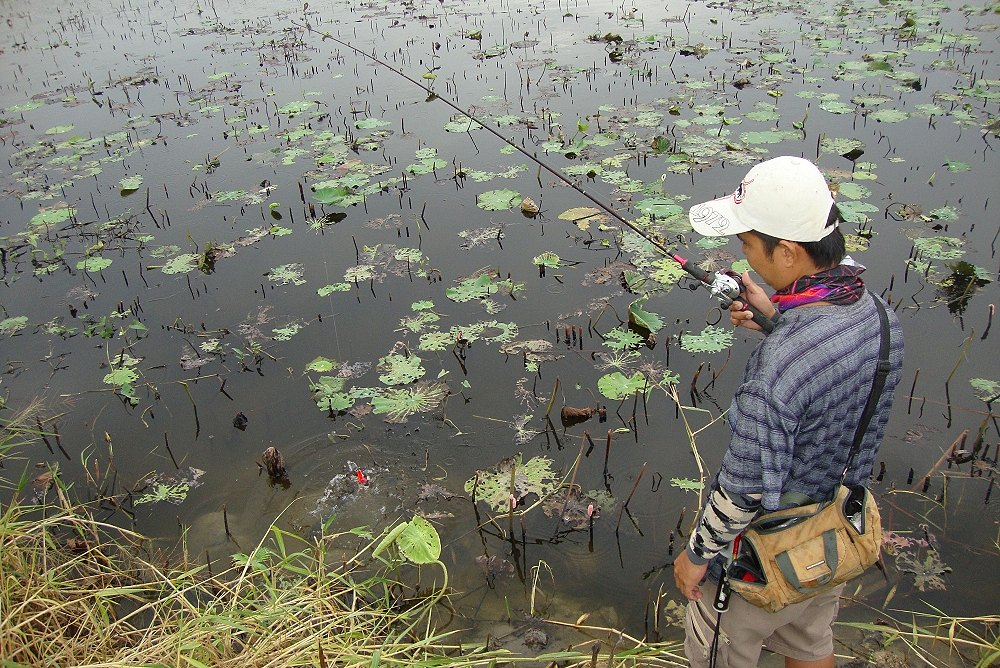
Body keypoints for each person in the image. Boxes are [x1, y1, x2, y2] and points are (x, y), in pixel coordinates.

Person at [673, 156, 904, 668]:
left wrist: (695, 558)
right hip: (828, 541)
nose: (745, 257)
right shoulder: (879, 316)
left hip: (758, 564)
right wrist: (782, 321)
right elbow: (829, 389)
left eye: (749, 246)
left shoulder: (778, 369)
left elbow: (745, 489)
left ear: (787, 250)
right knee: (810, 644)